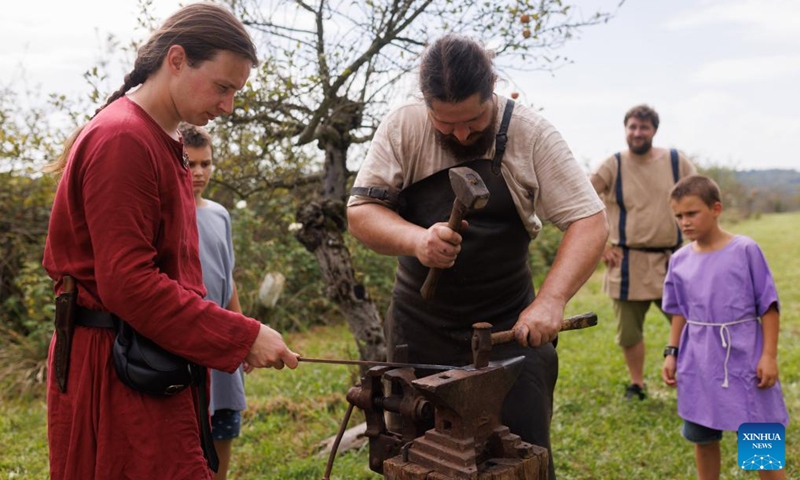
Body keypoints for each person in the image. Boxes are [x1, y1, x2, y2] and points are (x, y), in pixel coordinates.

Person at [42, 4, 299, 480]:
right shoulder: (123, 139)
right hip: (114, 371)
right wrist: (240, 334)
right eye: (223, 87)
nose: (228, 106)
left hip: (148, 361)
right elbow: (129, 284)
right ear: (177, 60)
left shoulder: (162, 139)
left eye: (234, 92)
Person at [346, 34, 608, 479]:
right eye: (446, 125)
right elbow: (361, 213)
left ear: (493, 90)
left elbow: (590, 221)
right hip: (419, 331)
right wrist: (416, 241)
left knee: (518, 457)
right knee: (418, 459)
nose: (462, 133)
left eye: (473, 119)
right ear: (425, 102)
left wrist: (550, 301)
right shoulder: (403, 127)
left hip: (509, 334)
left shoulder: (532, 133)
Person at [661, 175, 788, 480]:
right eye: (678, 216)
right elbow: (679, 310)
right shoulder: (679, 260)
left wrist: (768, 356)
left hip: (745, 353)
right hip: (699, 359)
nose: (685, 222)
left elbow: (768, 306)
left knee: (759, 434)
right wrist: (672, 352)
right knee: (702, 435)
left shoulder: (745, 250)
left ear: (716, 208)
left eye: (692, 213)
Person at [590, 104, 696, 401]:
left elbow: (698, 193)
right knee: (629, 333)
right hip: (626, 262)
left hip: (672, 260)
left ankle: (693, 379)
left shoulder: (676, 162)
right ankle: (637, 384)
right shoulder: (613, 164)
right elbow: (582, 197)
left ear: (654, 131)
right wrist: (601, 242)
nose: (637, 133)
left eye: (644, 127)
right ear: (626, 129)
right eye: (632, 127)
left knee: (690, 324)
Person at [180, 122, 247, 480]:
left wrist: (243, 331)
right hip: (186, 339)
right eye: (191, 164)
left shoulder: (219, 214)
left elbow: (227, 275)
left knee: (224, 424)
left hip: (222, 336)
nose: (200, 172)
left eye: (206, 163)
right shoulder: (169, 213)